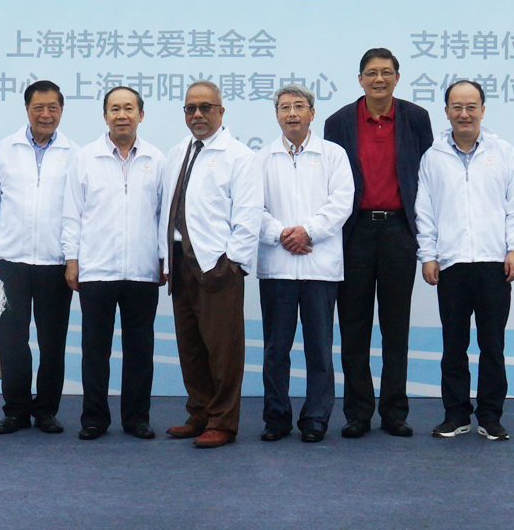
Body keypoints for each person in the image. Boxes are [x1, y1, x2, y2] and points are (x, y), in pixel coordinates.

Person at [324, 48, 433, 438]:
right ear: (360, 79)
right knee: (353, 328)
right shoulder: (338, 122)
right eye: (371, 73)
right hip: (354, 232)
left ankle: (394, 412)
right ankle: (357, 412)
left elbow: (428, 177)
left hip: (399, 231)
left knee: (395, 328)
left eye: (386, 72)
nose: (379, 79)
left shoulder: (416, 118)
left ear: (397, 78)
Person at [416, 80, 514, 441]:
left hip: (495, 263)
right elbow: (424, 211)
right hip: (451, 264)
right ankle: (456, 415)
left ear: (482, 109)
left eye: (471, 107)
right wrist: (428, 255)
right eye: (457, 107)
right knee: (454, 345)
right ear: (446, 111)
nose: (464, 114)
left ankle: (491, 416)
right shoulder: (433, 157)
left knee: (493, 345)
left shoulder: (504, 152)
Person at [159, 80, 262, 448]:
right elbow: (167, 209)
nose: (198, 114)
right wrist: (164, 258)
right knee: (191, 347)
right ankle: (200, 413)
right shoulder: (178, 152)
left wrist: (231, 263)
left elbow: (248, 216)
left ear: (221, 111)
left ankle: (222, 421)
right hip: (180, 262)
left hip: (217, 266)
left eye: (205, 107)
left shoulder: (239, 156)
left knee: (223, 350)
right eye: (191, 108)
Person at [62, 86, 166, 441]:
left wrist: (163, 259)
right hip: (96, 270)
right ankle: (94, 418)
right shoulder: (85, 158)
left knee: (140, 351)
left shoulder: (156, 159)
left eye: (129, 108)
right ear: (105, 115)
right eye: (115, 109)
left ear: (141, 114)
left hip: (142, 271)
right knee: (95, 351)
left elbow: (164, 217)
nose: (122, 115)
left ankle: (137, 418)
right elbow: (72, 214)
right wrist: (72, 260)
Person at [257, 85, 354, 443]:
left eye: (299, 106)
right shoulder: (262, 158)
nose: (292, 113)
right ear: (277, 115)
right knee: (275, 350)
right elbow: (253, 208)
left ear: (312, 113)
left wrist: (307, 231)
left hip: (319, 266)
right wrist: (281, 234)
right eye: (285, 107)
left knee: (320, 349)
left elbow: (342, 202)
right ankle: (276, 417)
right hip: (277, 267)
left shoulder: (333, 155)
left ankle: (315, 418)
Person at [0, 80, 80, 435]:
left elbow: (76, 212)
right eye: (39, 107)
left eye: (53, 107)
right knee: (11, 341)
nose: (46, 114)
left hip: (55, 263)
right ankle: (16, 410)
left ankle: (47, 411)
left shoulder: (75, 154)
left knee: (53, 343)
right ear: (27, 109)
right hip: (11, 261)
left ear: (62, 110)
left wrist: (72, 257)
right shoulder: (4, 150)